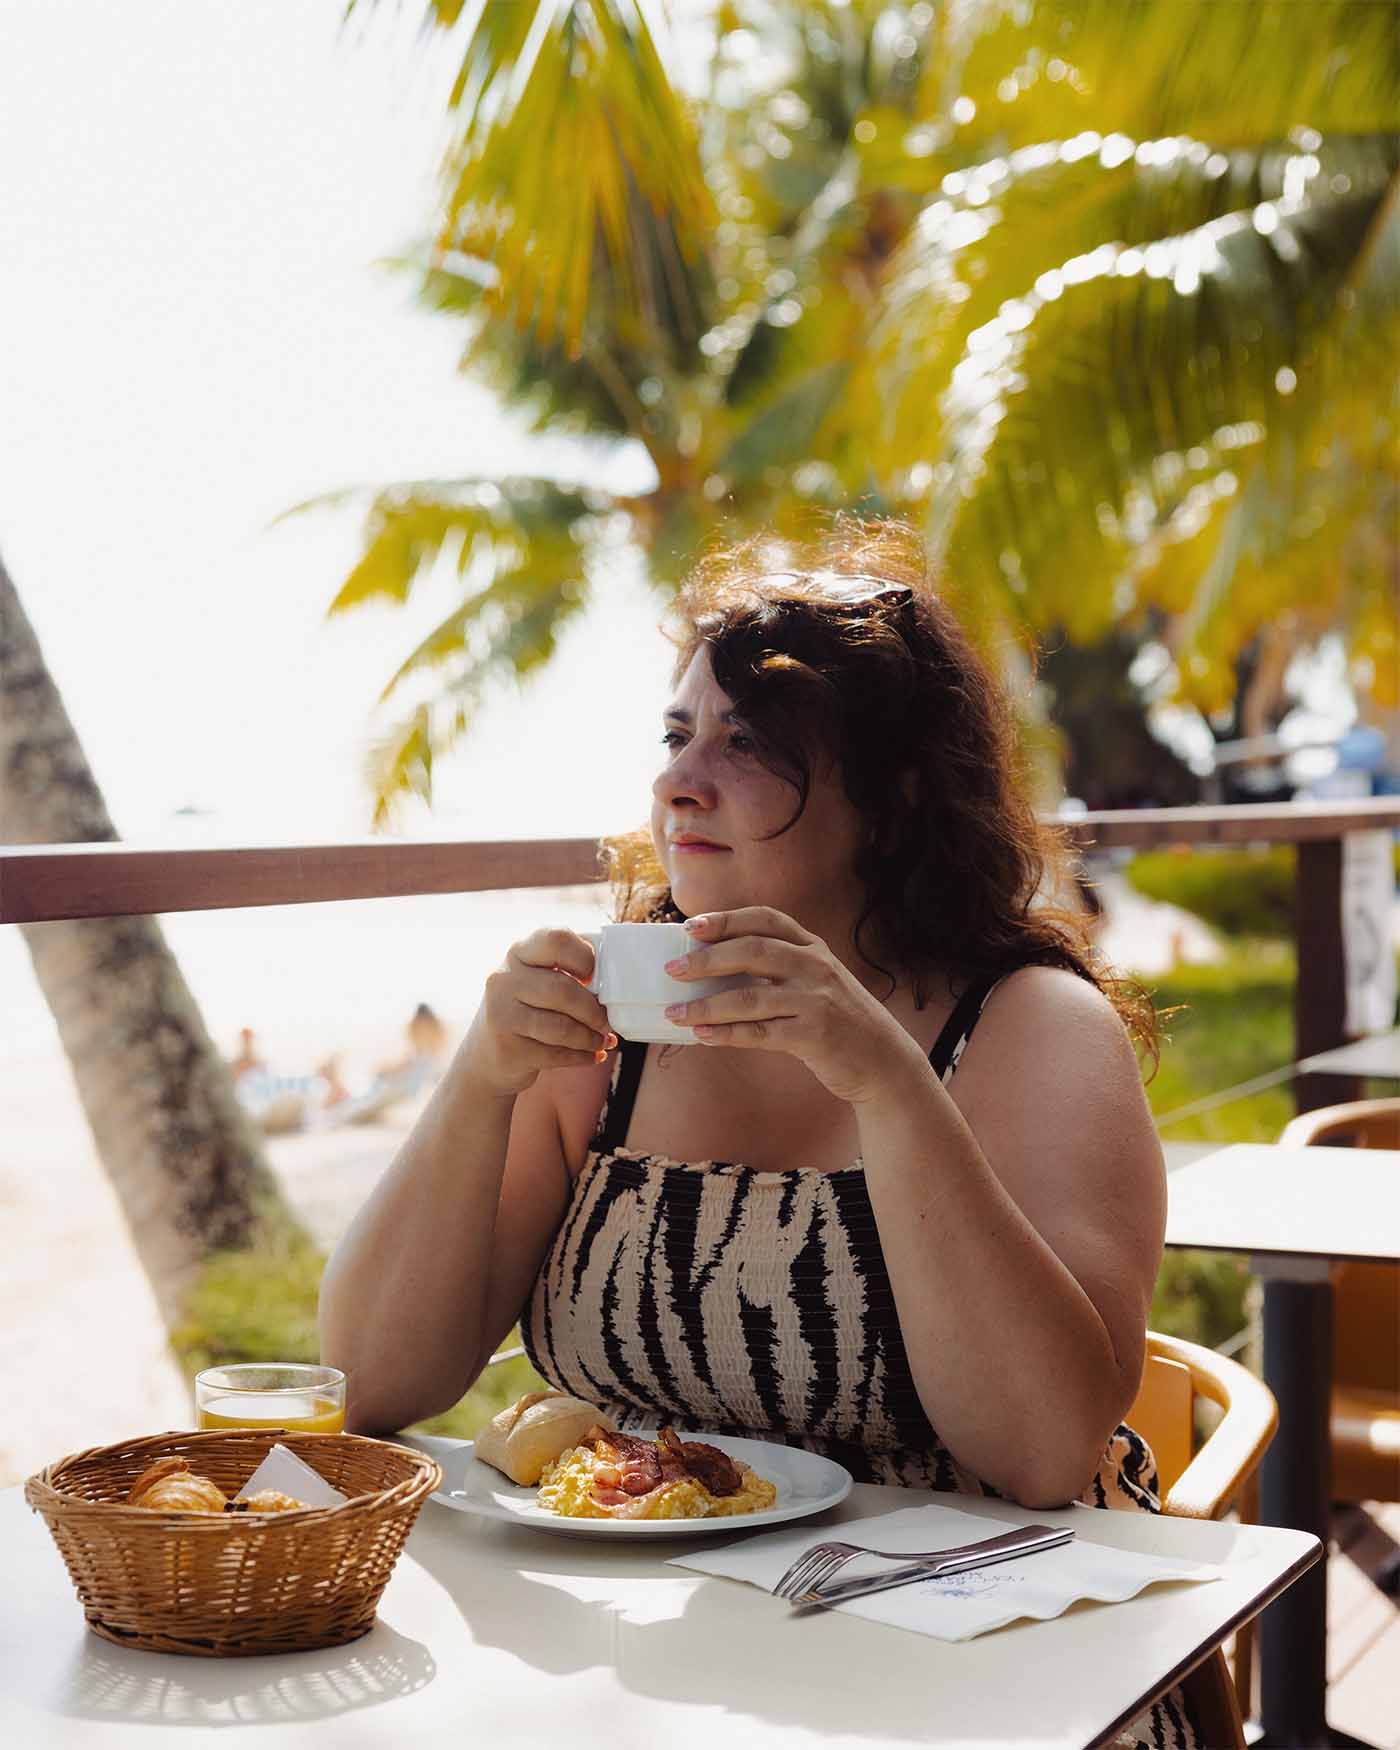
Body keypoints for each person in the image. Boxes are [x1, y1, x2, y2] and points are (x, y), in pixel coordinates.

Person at [320, 521, 1192, 1747]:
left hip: (998, 1671)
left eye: (749, 745)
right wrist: (481, 1078)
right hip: (650, 1662)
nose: (684, 779)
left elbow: (1042, 1449)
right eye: (678, 737)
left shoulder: (1030, 1028)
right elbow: (369, 1378)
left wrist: (890, 1088)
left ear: (890, 796)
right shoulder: (611, 1026)